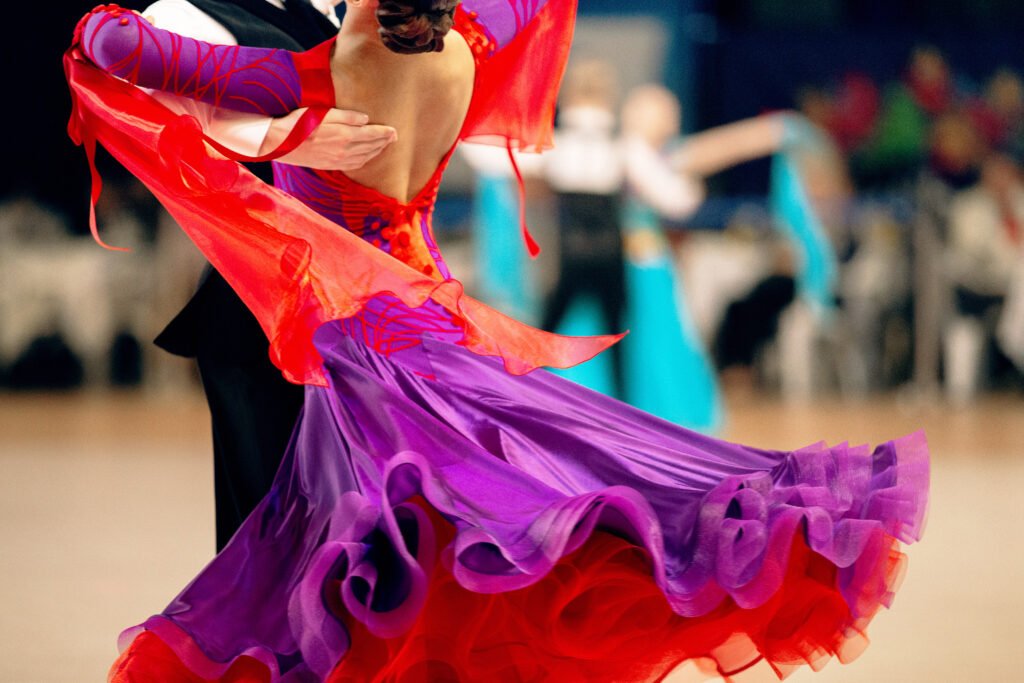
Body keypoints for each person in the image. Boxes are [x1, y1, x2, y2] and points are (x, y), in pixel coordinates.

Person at [68, 2, 929, 680]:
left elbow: (107, 40)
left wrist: (289, 126)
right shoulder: (465, 55)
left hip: (351, 342)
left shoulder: (309, 74)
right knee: (476, 527)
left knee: (344, 556)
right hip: (438, 317)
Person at [141, 0, 400, 550]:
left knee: (369, 518)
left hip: (366, 300)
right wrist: (289, 138)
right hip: (260, 296)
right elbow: (165, 128)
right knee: (273, 523)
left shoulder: (340, 17)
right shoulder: (186, 14)